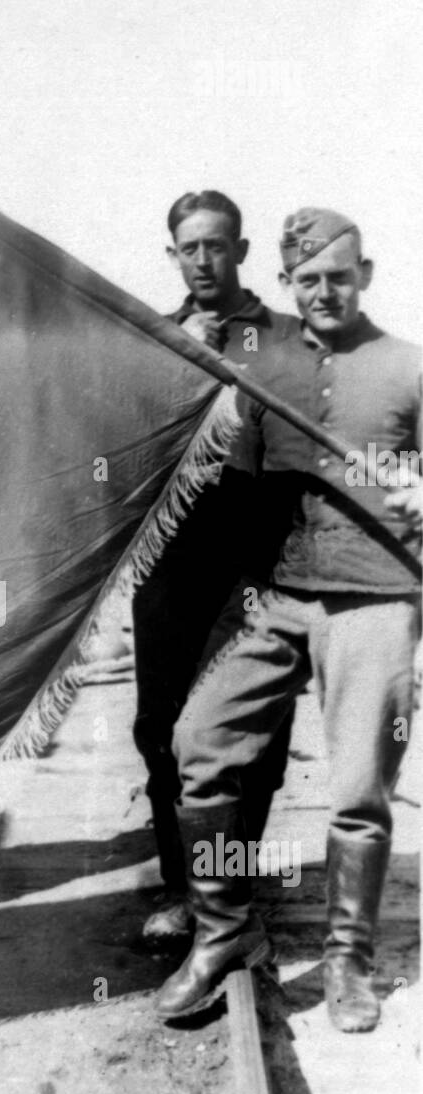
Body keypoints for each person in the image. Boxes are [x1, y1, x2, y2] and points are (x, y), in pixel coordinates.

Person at [159, 207, 421, 1033]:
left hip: (376, 599)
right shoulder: (263, 368)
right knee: (198, 742)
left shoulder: (409, 369)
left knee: (357, 793)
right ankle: (226, 933)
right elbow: (235, 493)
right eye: (307, 280)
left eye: (338, 277)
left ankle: (347, 963)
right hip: (279, 596)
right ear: (287, 285)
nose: (323, 292)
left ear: (366, 275)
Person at [133, 192, 297, 947]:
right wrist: (173, 358)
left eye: (217, 246)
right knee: (162, 725)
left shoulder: (287, 341)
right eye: (189, 249)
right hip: (173, 562)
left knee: (251, 732)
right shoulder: (153, 340)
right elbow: (123, 447)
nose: (204, 261)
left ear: (242, 249)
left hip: (259, 560)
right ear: (173, 255)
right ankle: (184, 889)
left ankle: (231, 882)